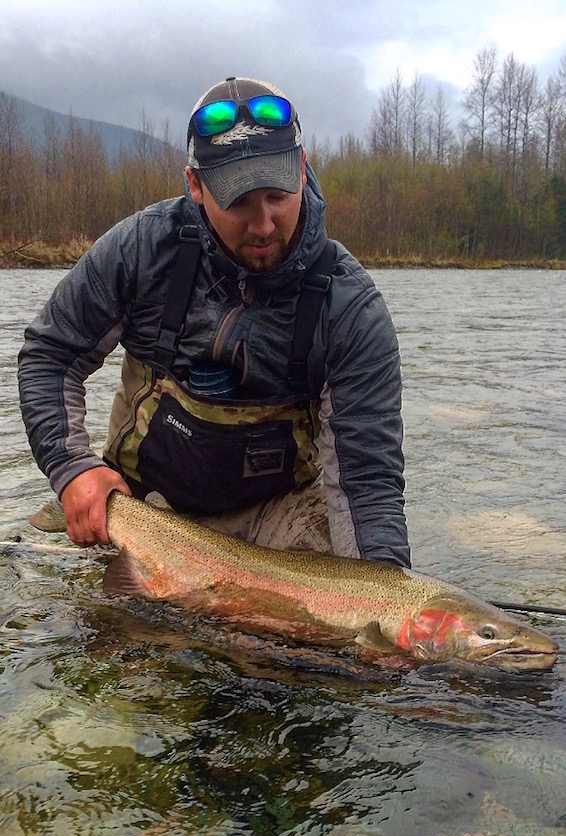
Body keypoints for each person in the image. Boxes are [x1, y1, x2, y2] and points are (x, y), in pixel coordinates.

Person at [18, 76, 411, 567]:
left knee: (331, 602)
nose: (263, 224)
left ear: (302, 168)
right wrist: (72, 468)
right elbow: (49, 355)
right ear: (196, 186)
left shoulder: (349, 307)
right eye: (238, 201)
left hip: (277, 520)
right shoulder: (143, 250)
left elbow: (367, 483)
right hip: (144, 510)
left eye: (278, 195)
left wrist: (385, 596)